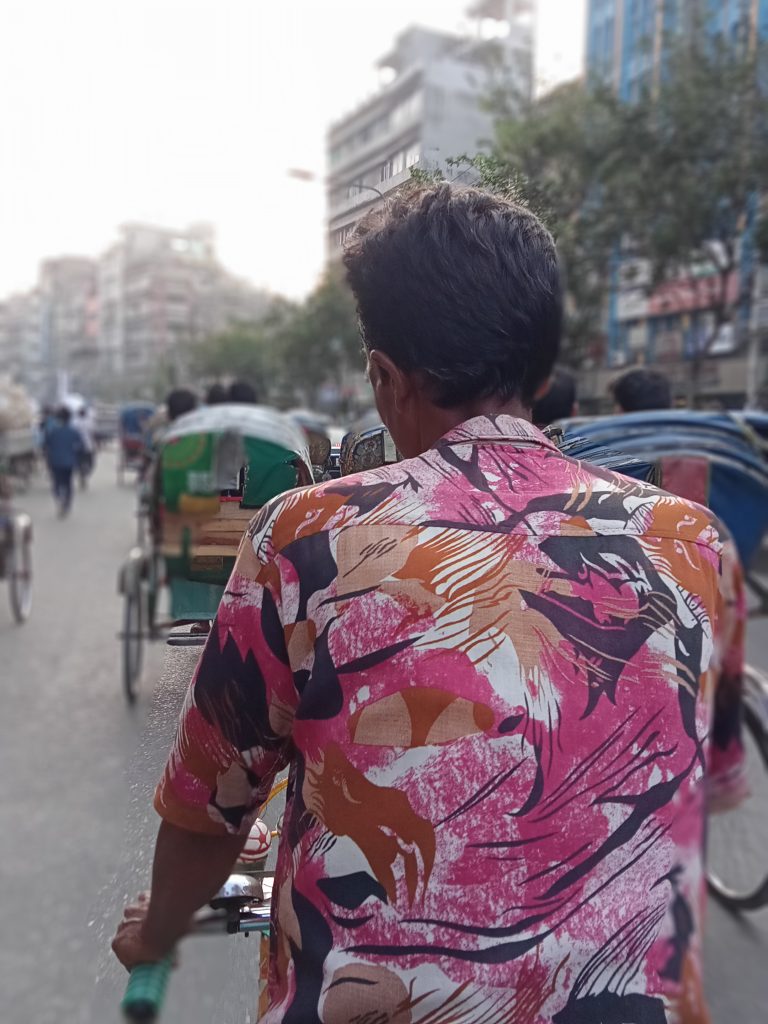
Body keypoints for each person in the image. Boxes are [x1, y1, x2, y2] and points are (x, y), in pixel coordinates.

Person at [113, 185, 744, 1023]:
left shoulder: (308, 539)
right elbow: (714, 780)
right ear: (546, 370)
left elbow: (209, 811)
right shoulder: (695, 543)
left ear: (385, 377)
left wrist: (156, 935)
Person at [43, 407, 84, 516]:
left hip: (55, 462)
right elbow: (81, 447)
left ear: (58, 418)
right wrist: (77, 460)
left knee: (56, 483)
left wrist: (47, 461)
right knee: (68, 483)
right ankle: (66, 503)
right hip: (69, 462)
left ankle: (59, 499)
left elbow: (46, 447)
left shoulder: (52, 432)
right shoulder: (74, 432)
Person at [74, 406, 96, 488]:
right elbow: (92, 434)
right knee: (90, 462)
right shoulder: (89, 422)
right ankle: (85, 473)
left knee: (78, 463)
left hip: (77, 447)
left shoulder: (75, 423)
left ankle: (81, 474)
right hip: (88, 446)